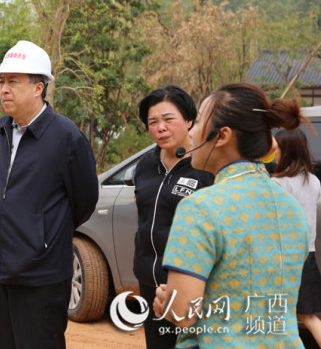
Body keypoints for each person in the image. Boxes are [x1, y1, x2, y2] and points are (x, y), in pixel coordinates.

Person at [153, 83, 310, 348]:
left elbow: (183, 314)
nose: (191, 134)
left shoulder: (200, 208)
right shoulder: (292, 208)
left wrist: (164, 302)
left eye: (199, 122)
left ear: (222, 135)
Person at [0, 40, 98, 349]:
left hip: (41, 275)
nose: (4, 89)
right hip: (0, 268)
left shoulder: (67, 138)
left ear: (38, 87)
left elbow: (84, 201)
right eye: (2, 81)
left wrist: (43, 234)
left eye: (13, 81)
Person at [133, 85, 213, 348]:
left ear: (189, 120)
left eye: (168, 119)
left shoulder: (206, 167)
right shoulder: (145, 165)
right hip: (148, 281)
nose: (160, 128)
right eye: (153, 122)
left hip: (189, 285)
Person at [273, 129, 321, 346]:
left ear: (284, 152)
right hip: (307, 255)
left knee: (278, 318)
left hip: (282, 258)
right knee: (308, 317)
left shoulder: (278, 184)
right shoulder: (314, 181)